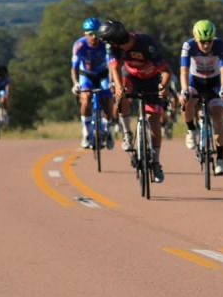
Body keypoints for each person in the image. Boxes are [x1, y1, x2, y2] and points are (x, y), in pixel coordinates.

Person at [98, 19, 170, 184]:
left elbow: (166, 71)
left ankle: (156, 162)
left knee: (154, 122)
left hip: (152, 79)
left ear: (117, 41)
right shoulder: (113, 47)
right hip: (130, 77)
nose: (108, 45)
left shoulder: (146, 43)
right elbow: (115, 68)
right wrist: (118, 87)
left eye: (109, 42)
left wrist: (163, 86)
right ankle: (128, 134)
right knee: (122, 93)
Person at [179, 19, 223, 176]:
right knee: (187, 102)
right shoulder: (188, 46)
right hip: (196, 81)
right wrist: (184, 90)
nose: (206, 45)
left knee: (218, 116)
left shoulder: (220, 45)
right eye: (203, 42)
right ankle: (191, 130)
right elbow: (184, 70)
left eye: (209, 41)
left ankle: (220, 159)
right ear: (195, 38)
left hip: (214, 82)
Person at [71, 17, 115, 149]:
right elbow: (74, 68)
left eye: (97, 33)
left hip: (103, 74)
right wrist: (75, 83)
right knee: (86, 99)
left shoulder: (106, 45)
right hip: (87, 75)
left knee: (107, 99)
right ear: (85, 34)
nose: (94, 37)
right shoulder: (79, 45)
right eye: (91, 34)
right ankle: (87, 133)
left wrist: (112, 83)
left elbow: (112, 65)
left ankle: (108, 130)